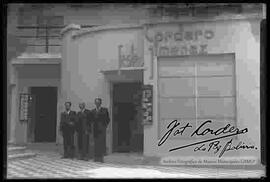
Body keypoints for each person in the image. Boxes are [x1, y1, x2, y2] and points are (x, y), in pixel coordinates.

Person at [91, 98, 110, 163]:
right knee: (96, 143)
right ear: (95, 103)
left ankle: (101, 158)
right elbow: (91, 120)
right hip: (95, 129)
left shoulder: (104, 110)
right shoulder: (93, 111)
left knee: (102, 143)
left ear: (100, 103)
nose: (97, 103)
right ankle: (96, 157)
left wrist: (104, 126)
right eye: (96, 102)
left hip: (102, 129)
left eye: (98, 102)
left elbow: (108, 119)